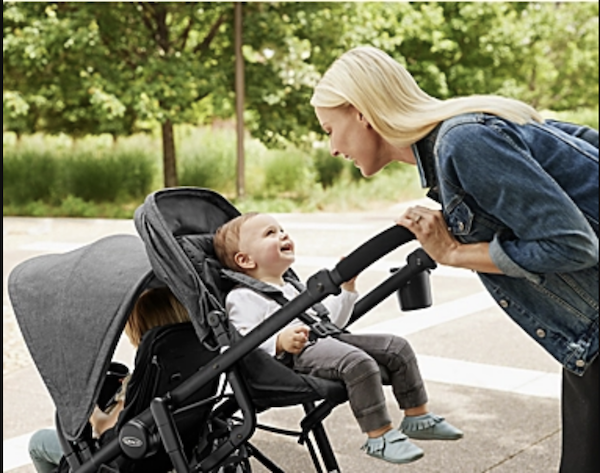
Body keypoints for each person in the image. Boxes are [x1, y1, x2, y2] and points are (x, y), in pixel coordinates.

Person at [310, 45, 599, 473]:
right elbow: (581, 148)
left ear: (361, 112)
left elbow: (573, 244)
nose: (331, 148)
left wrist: (455, 252)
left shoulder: (464, 140)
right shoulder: (464, 132)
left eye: (329, 129)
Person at [213, 212, 463, 465]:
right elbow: (241, 340)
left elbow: (332, 322)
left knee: (397, 347)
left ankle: (417, 415)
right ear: (245, 260)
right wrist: (279, 341)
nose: (282, 235)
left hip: (329, 338)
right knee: (357, 362)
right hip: (296, 357)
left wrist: (347, 289)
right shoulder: (243, 297)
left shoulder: (291, 287)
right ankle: (379, 435)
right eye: (270, 233)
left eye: (281, 229)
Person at [28, 287, 190, 473]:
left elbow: (104, 426)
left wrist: (89, 408)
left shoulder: (149, 375)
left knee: (38, 442)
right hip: (172, 448)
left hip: (122, 458)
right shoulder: (191, 362)